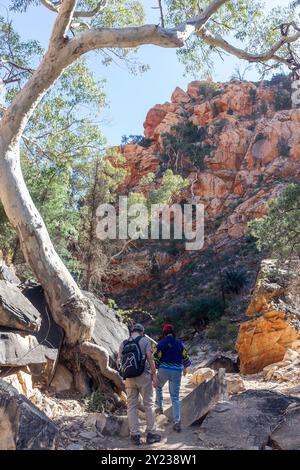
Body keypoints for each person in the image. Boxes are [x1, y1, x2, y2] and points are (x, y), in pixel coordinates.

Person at [118, 323, 161, 446]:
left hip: (129, 378)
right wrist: (154, 375)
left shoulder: (123, 343)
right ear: (142, 332)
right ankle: (151, 434)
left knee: (131, 406)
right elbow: (150, 358)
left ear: (131, 332)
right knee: (149, 404)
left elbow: (119, 361)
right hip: (143, 377)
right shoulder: (144, 341)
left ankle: (135, 435)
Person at [153, 324, 191, 432]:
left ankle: (159, 409)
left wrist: (156, 368)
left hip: (164, 369)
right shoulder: (179, 343)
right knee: (175, 397)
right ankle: (177, 421)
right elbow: (185, 356)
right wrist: (185, 368)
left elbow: (155, 356)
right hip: (177, 371)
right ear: (173, 332)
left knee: (158, 387)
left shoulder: (161, 343)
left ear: (164, 333)